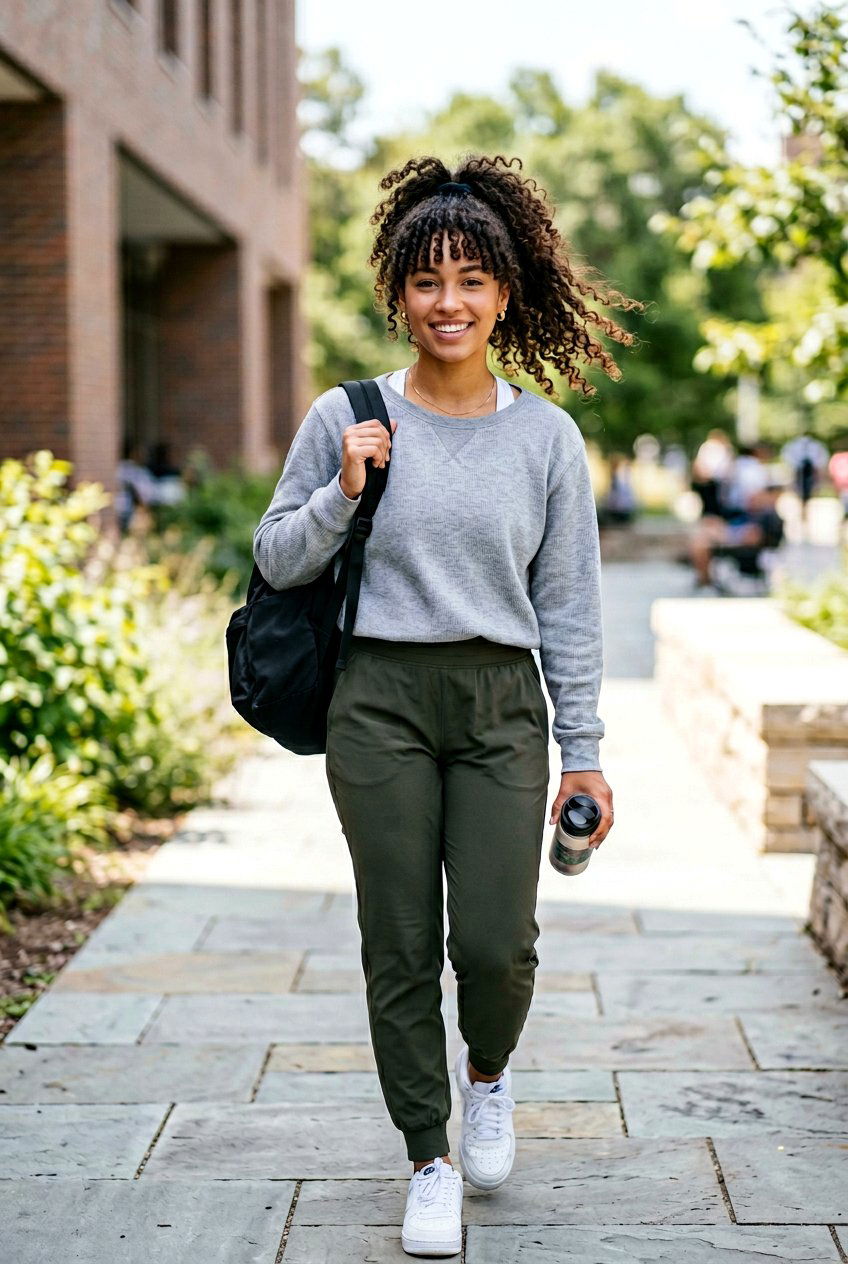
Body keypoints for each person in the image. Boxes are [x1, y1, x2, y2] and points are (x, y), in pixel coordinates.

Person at [252, 155, 629, 1258]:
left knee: (501, 943)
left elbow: (568, 608)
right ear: (395, 294)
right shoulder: (347, 414)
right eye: (426, 281)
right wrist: (341, 492)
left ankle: (488, 1076)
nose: (448, 301)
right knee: (399, 939)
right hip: (379, 697)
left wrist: (585, 753)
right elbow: (276, 558)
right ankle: (428, 1153)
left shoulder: (545, 438)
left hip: (501, 700)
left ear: (507, 291)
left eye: (471, 279)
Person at [780, 432, 829, 525]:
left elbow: (820, 460)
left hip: (809, 473)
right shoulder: (795, 446)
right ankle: (802, 513)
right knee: (800, 494)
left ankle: (805, 513)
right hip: (800, 473)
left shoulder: (815, 446)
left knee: (807, 494)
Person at [691, 429, 735, 518]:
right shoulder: (719, 448)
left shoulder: (715, 447)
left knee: (713, 504)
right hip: (712, 479)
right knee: (712, 504)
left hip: (714, 480)